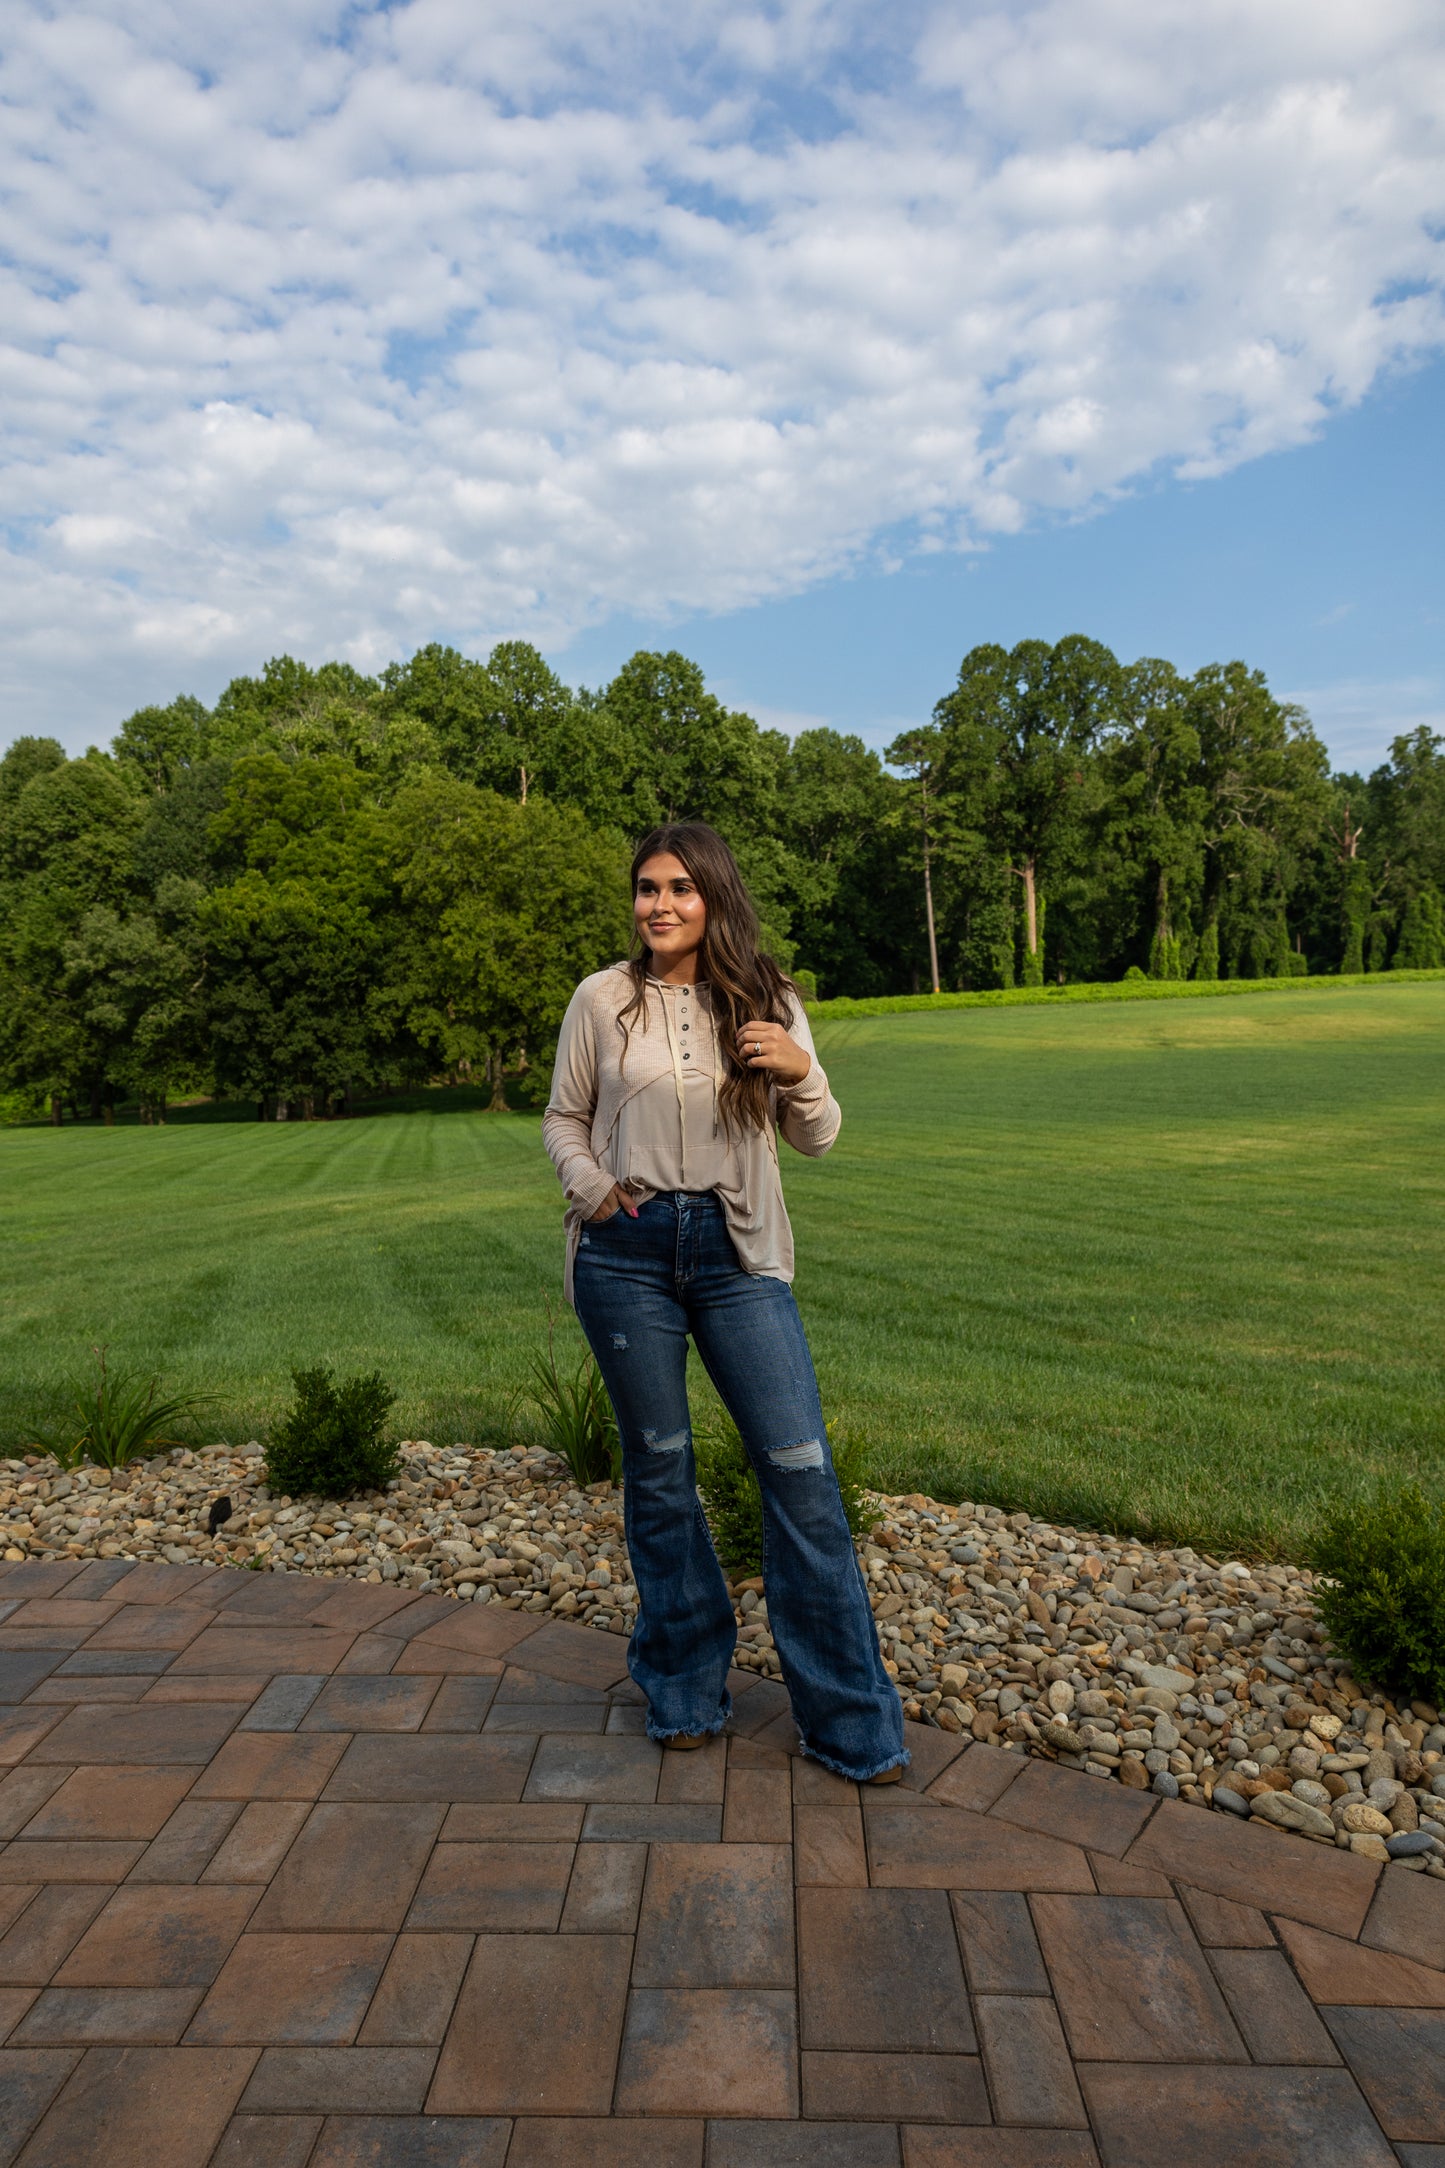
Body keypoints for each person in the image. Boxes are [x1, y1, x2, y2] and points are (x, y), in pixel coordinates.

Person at [542, 820, 907, 1782]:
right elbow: (563, 1118)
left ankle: (851, 1724)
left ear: (714, 896)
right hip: (626, 1253)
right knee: (660, 1473)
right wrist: (593, 1192)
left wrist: (802, 1069)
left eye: (679, 888)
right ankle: (683, 1690)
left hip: (738, 1254)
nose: (659, 904)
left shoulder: (767, 1000)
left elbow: (818, 1138)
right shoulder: (603, 999)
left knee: (798, 1470)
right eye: (645, 888)